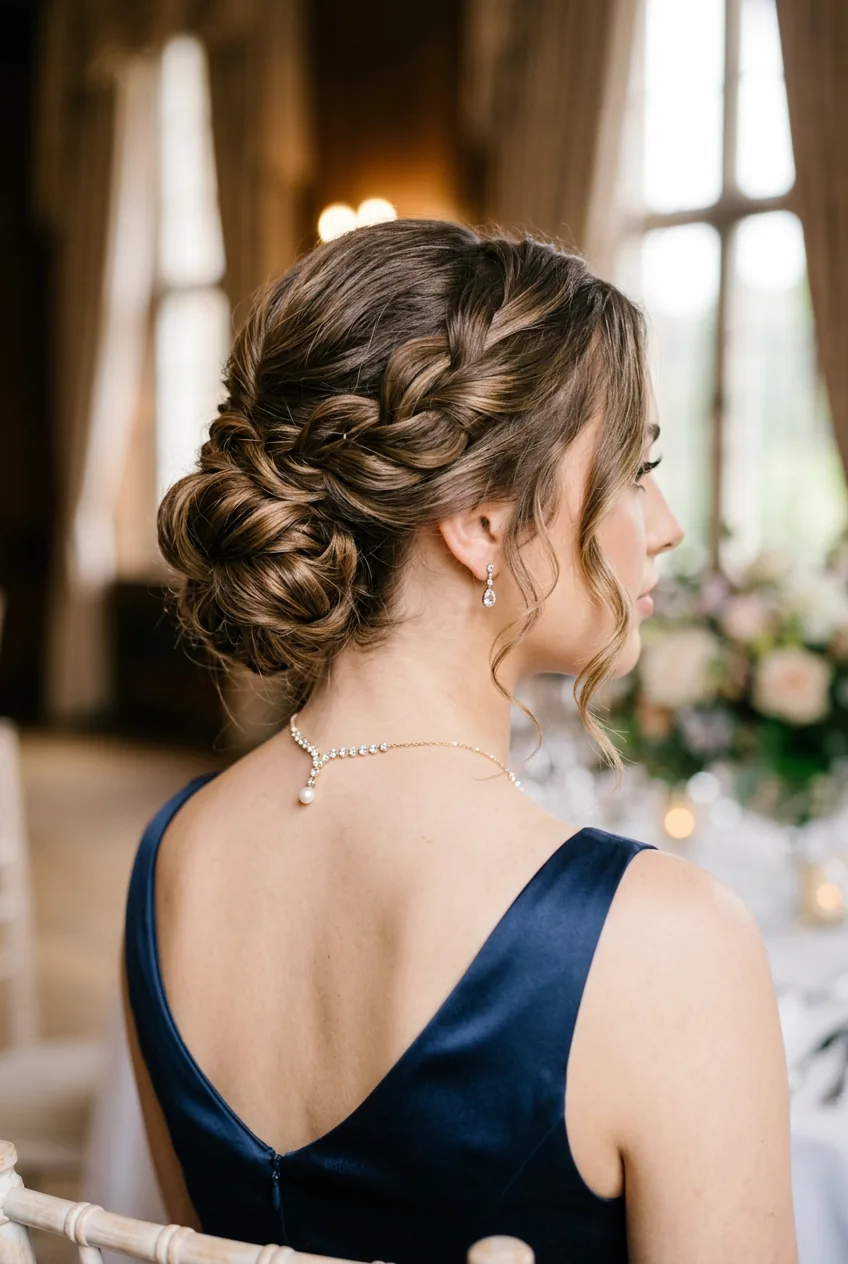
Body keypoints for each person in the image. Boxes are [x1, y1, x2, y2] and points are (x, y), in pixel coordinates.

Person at [123, 220, 797, 1264]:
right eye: (631, 469)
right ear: (480, 519)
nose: (661, 521)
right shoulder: (665, 942)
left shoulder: (172, 855)